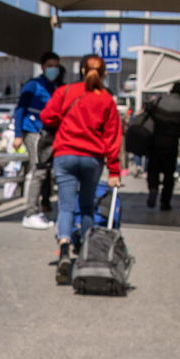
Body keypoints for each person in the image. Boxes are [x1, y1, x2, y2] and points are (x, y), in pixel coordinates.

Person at [40, 54, 122, 284]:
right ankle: (85, 251)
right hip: (92, 158)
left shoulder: (66, 92)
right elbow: (112, 137)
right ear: (103, 73)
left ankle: (64, 249)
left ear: (82, 71)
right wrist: (114, 171)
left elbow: (47, 116)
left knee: (66, 207)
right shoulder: (106, 99)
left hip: (65, 154)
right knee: (86, 207)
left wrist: (64, 122)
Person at [9, 51, 64, 229]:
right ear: (42, 67)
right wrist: (18, 134)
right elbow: (20, 109)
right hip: (33, 131)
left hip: (48, 133)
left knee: (46, 171)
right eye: (50, 66)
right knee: (38, 170)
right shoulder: (33, 86)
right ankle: (30, 212)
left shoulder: (54, 87)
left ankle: (41, 206)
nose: (53, 69)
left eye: (56, 65)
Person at [147, 82, 180, 210]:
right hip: (171, 144)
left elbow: (148, 114)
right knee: (169, 175)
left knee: (153, 170)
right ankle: (165, 201)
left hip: (155, 142)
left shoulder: (159, 101)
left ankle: (153, 189)